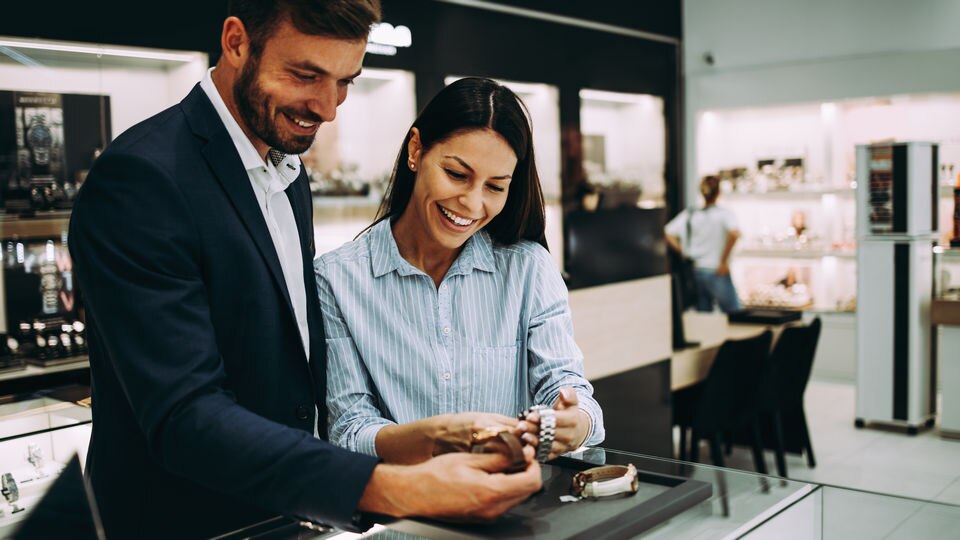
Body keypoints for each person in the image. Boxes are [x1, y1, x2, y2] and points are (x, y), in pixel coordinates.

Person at [68, 3, 540, 538]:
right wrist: (395, 488)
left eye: (345, 81)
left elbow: (282, 378)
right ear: (236, 42)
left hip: (281, 518)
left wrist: (425, 437)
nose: (327, 107)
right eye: (305, 75)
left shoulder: (288, 173)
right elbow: (185, 418)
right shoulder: (141, 180)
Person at [315, 77, 604, 465]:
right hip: (402, 514)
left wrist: (576, 421)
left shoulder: (527, 267)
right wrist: (435, 439)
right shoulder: (336, 280)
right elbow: (349, 428)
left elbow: (566, 386)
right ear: (416, 150)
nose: (471, 203)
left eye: (495, 187)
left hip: (509, 510)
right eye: (456, 174)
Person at [664, 175, 743, 313]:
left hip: (697, 269)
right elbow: (734, 234)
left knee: (704, 315)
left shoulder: (691, 214)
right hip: (716, 270)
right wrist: (723, 261)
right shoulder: (723, 214)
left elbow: (668, 233)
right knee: (734, 313)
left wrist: (684, 251)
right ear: (718, 192)